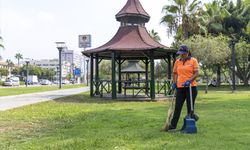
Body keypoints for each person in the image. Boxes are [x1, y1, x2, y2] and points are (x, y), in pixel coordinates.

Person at [162, 44, 199, 131]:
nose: (181, 55)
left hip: (191, 87)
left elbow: (196, 73)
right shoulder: (177, 61)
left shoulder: (193, 60)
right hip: (180, 87)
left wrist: (189, 80)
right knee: (177, 107)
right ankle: (173, 125)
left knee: (190, 108)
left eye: (183, 53)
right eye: (180, 53)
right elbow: (175, 73)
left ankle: (187, 125)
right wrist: (174, 82)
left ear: (187, 52)